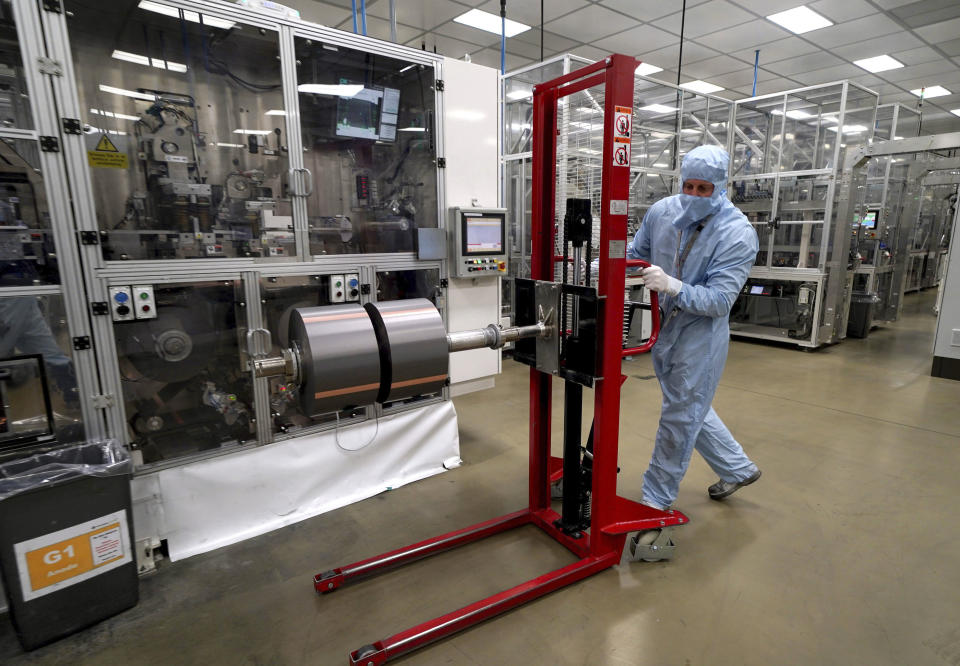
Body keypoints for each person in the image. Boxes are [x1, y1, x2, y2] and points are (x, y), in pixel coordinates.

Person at [630, 144, 760, 510]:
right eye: (688, 186)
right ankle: (736, 467)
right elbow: (635, 252)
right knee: (686, 405)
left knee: (680, 416)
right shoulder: (662, 212)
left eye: (703, 189)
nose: (693, 195)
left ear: (720, 188)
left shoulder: (736, 232)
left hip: (700, 337)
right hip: (664, 328)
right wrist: (599, 264)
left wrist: (672, 285)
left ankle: (654, 503)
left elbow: (720, 301)